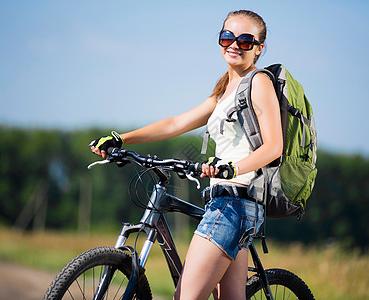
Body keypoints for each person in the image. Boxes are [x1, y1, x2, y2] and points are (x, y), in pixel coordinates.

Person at [90, 10, 282, 300]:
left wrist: (232, 168)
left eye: (244, 40)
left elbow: (273, 147)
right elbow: (176, 123)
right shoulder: (224, 90)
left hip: (235, 203)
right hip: (227, 201)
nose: (234, 44)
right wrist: (122, 137)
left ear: (259, 48)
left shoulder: (259, 82)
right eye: (227, 37)